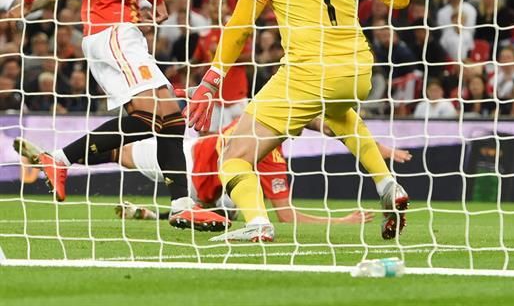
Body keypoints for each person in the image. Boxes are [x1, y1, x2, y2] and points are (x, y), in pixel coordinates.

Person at [184, 0, 411, 242]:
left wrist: (210, 81)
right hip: (358, 71)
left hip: (306, 73)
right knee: (339, 113)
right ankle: (387, 183)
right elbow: (399, 0)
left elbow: (241, 27)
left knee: (234, 155)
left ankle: (257, 222)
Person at [21, 0, 228, 232]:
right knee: (153, 115)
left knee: (169, 118)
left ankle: (183, 204)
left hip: (99, 33)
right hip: (115, 30)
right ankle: (61, 159)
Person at [14, 114, 412, 225]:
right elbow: (288, 215)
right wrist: (344, 221)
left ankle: (55, 158)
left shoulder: (254, 120)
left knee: (231, 207)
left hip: (184, 160)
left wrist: (379, 146)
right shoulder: (266, 142)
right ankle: (55, 158)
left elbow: (315, 121)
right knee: (118, 151)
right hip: (182, 158)